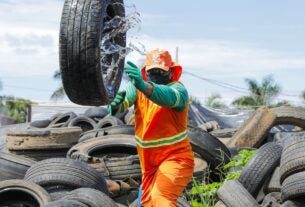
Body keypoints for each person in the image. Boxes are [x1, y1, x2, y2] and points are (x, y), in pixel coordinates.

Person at [108, 49, 194, 207]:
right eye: (152, 71)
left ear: (171, 72)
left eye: (161, 71)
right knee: (148, 203)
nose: (156, 74)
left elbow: (167, 97)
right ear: (145, 72)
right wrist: (116, 106)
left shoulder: (178, 90)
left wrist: (144, 85)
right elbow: (125, 100)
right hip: (148, 165)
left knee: (161, 200)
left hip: (175, 158)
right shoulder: (137, 88)